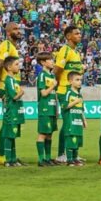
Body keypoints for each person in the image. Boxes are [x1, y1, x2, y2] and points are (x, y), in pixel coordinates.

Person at [0, 22, 21, 165]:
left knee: (10, 122)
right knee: (7, 122)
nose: (19, 31)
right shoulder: (6, 45)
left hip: (12, 87)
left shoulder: (13, 47)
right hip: (6, 87)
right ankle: (2, 155)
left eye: (19, 29)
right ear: (8, 32)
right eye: (15, 29)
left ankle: (9, 154)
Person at [54, 25, 84, 163]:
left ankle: (73, 152)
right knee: (67, 123)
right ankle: (62, 154)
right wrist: (59, 86)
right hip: (64, 91)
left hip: (74, 92)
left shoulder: (76, 52)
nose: (79, 35)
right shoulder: (65, 50)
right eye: (76, 33)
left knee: (73, 122)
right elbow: (57, 70)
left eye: (80, 33)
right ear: (68, 36)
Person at [0, 56, 25, 167]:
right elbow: (14, 96)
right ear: (9, 67)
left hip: (15, 111)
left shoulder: (13, 80)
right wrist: (21, 93)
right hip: (11, 112)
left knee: (12, 136)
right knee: (9, 136)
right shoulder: (8, 80)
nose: (19, 66)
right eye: (16, 64)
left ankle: (13, 159)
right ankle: (8, 160)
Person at [36, 52, 58, 167]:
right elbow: (43, 93)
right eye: (50, 60)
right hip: (44, 108)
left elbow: (54, 94)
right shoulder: (42, 75)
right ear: (43, 62)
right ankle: (41, 160)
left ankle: (48, 158)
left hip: (52, 108)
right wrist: (53, 86)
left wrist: (56, 109)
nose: (52, 62)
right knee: (42, 134)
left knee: (49, 134)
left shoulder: (52, 76)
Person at [63, 72, 86, 167]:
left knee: (77, 140)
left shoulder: (80, 95)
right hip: (70, 121)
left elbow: (81, 110)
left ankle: (75, 158)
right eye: (77, 80)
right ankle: (69, 160)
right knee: (70, 140)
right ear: (70, 81)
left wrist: (84, 120)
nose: (80, 82)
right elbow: (64, 106)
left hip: (78, 121)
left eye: (80, 80)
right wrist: (75, 102)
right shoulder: (68, 93)